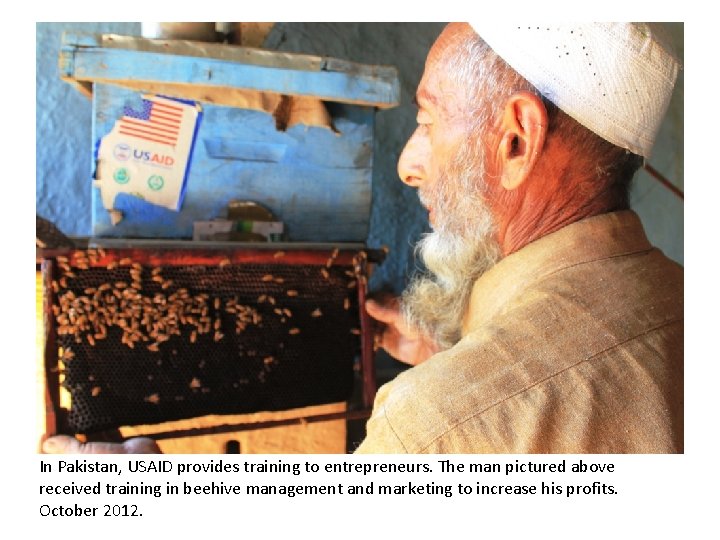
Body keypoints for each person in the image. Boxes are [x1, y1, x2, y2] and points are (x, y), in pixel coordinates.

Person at [43, 22, 682, 454]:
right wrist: (453, 357)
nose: (408, 163)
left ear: (515, 141)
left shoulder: (433, 429)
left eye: (428, 120)